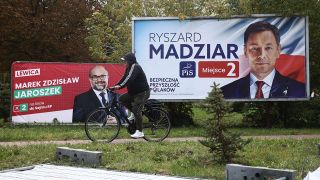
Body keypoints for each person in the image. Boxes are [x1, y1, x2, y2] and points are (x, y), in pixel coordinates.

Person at [221, 21, 306, 99]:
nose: (261, 55)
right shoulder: (225, 92)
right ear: (245, 51)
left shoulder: (300, 90)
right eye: (254, 48)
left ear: (278, 50)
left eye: (268, 48)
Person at [111, 53, 150, 138]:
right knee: (121, 99)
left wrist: (120, 86)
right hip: (134, 93)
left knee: (137, 110)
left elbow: (129, 79)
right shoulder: (129, 67)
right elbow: (124, 77)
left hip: (142, 93)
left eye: (125, 61)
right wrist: (115, 86)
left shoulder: (135, 67)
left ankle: (140, 131)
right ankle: (134, 114)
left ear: (130, 61)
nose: (124, 63)